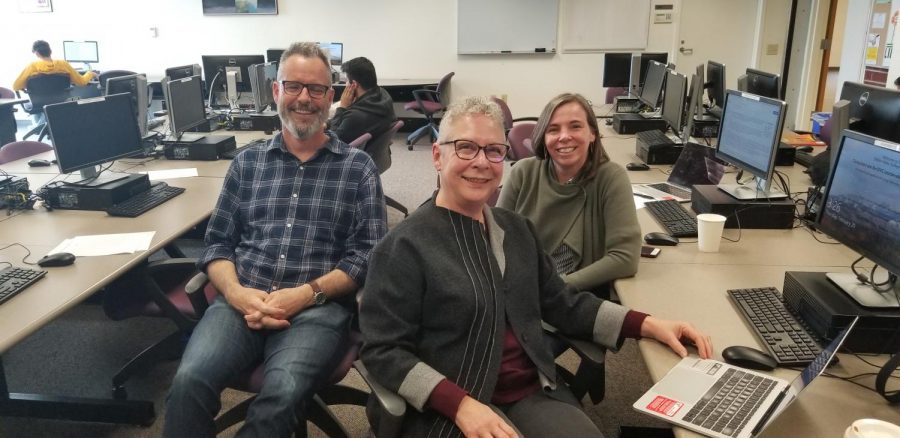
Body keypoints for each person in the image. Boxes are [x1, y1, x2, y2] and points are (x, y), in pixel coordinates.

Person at [360, 96, 712, 437]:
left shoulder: (515, 230)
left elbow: (562, 303)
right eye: (466, 147)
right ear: (437, 155)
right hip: (449, 401)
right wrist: (459, 405)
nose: (481, 162)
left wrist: (647, 324)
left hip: (528, 389)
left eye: (494, 150)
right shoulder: (403, 247)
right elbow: (383, 350)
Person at [162, 42, 387, 437]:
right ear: (276, 92)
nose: (305, 98)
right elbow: (217, 243)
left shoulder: (357, 168)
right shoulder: (247, 163)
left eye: (316, 89)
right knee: (188, 382)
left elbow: (366, 256)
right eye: (294, 86)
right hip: (241, 301)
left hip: (316, 307)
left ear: (330, 97)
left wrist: (302, 295)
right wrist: (235, 293)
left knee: (282, 393)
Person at [497, 93, 640, 295]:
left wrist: (555, 289)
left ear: (592, 133)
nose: (564, 136)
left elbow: (625, 258)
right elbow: (495, 241)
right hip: (521, 293)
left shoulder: (610, 178)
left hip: (577, 300)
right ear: (544, 137)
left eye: (575, 126)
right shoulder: (523, 172)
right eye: (553, 129)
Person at [327, 56, 396, 144]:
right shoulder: (384, 95)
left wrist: (342, 108)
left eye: (347, 81)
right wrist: (327, 124)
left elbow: (333, 142)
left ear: (354, 85)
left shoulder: (355, 116)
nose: (346, 84)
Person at [12, 40, 95, 91]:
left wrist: (29, 86)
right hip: (60, 101)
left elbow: (16, 87)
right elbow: (81, 82)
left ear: (37, 54)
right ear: (50, 51)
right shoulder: (63, 64)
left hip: (39, 102)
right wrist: (90, 73)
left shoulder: (32, 66)